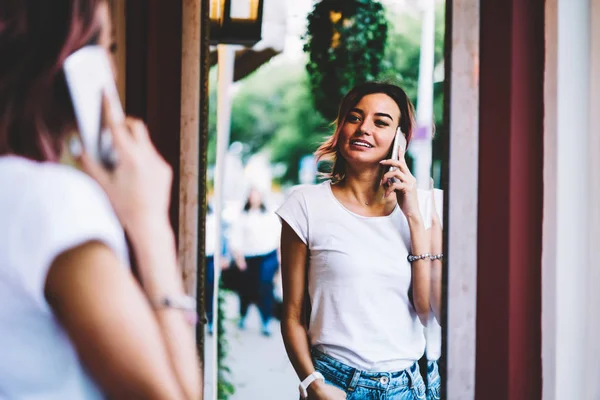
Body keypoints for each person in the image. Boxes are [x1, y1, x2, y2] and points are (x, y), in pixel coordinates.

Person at [0, 1, 201, 399]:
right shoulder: (49, 201)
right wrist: (150, 225)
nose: (110, 71)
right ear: (70, 64)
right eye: (107, 50)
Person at [276, 82, 433, 399]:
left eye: (381, 122)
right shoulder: (305, 204)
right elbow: (293, 314)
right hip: (335, 384)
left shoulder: (428, 208)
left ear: (400, 139)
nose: (364, 129)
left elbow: (427, 309)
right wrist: (313, 384)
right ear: (341, 127)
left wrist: (414, 216)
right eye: (355, 117)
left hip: (410, 387)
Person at [229, 188, 281, 336]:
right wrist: (239, 257)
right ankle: (243, 314)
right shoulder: (243, 216)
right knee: (247, 288)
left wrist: (280, 256)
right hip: (249, 256)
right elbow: (236, 237)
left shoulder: (270, 215)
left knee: (265, 285)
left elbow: (278, 235)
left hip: (267, 255)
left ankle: (266, 320)